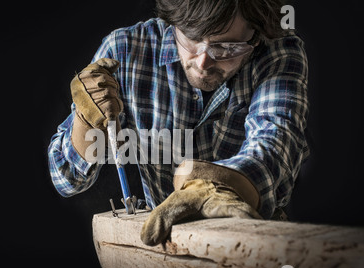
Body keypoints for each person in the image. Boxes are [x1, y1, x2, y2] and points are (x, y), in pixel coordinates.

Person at [48, 0, 309, 246]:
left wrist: (221, 185)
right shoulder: (124, 50)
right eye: (192, 39)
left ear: (255, 35)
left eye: (226, 47)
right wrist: (86, 122)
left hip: (251, 240)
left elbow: (276, 143)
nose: (203, 61)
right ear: (174, 22)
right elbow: (65, 180)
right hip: (162, 241)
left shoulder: (277, 51)